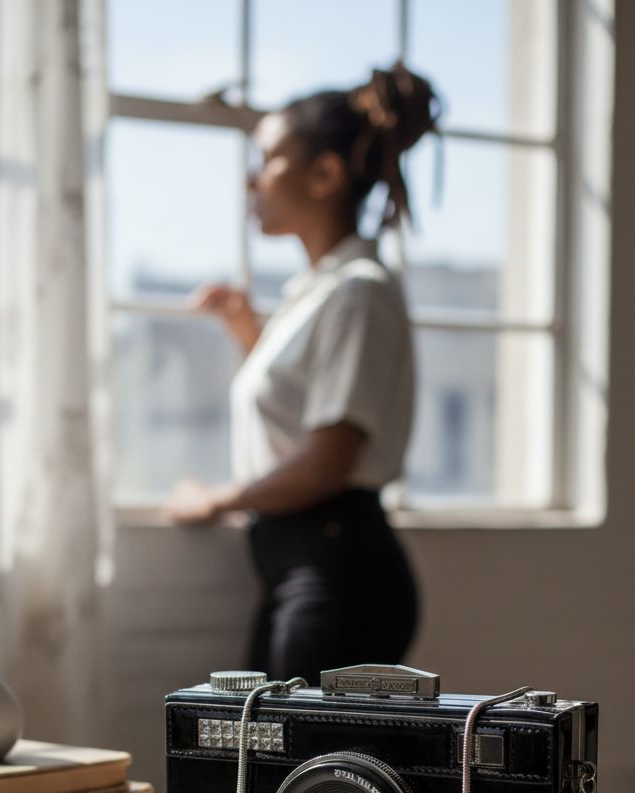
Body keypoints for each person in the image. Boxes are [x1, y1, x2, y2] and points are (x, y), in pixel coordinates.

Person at [168, 62, 441, 687]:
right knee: (274, 769)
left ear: (324, 174)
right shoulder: (322, 291)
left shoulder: (358, 293)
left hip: (335, 569)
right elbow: (310, 408)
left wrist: (215, 499)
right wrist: (249, 334)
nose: (250, 179)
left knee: (295, 775)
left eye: (266, 159)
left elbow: (327, 461)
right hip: (309, 563)